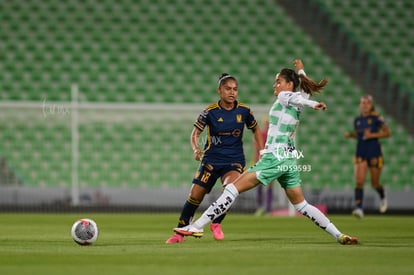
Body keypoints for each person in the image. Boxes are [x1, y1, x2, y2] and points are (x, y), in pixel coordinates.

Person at [174, 60, 358, 245]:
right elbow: (304, 91)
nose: (275, 85)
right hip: (288, 160)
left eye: (278, 81)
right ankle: (339, 235)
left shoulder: (285, 97)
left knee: (232, 189)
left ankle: (197, 226)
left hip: (275, 157)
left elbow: (297, 97)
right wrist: (301, 70)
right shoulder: (297, 99)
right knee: (302, 205)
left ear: (289, 85)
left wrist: (314, 104)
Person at [166, 73, 264, 244]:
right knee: (194, 196)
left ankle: (216, 223)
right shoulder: (209, 112)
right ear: (219, 91)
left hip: (234, 161)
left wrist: (262, 152)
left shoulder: (244, 111)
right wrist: (196, 149)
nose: (232, 92)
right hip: (211, 160)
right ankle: (179, 233)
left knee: (230, 190)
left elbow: (255, 130)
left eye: (235, 89)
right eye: (228, 89)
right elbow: (195, 133)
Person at [344, 95, 391, 219]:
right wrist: (351, 135)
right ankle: (359, 208)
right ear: (360, 105)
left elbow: (387, 133)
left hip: (374, 153)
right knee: (359, 181)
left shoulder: (377, 118)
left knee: (374, 183)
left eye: (367, 103)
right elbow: (361, 136)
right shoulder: (357, 120)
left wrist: (372, 135)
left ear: (371, 105)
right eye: (363, 103)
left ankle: (382, 194)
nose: (365, 105)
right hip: (361, 152)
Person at [253, 118, 274, 216]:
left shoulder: (273, 137)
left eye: (268, 124)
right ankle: (260, 207)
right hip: (261, 163)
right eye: (266, 124)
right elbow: (256, 150)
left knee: (270, 185)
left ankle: (268, 209)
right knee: (259, 184)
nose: (267, 126)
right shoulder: (260, 135)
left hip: (270, 163)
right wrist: (255, 163)